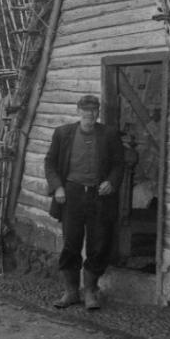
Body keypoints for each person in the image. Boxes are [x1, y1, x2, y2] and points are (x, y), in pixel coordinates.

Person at [44, 94, 124, 310]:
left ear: (98, 112)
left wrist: (111, 181)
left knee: (98, 244)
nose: (90, 114)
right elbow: (50, 162)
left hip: (99, 195)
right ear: (78, 111)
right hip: (72, 194)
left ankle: (90, 290)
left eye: (94, 110)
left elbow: (119, 164)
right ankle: (71, 292)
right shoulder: (63, 133)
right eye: (85, 110)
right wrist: (58, 187)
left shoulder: (109, 134)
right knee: (71, 242)